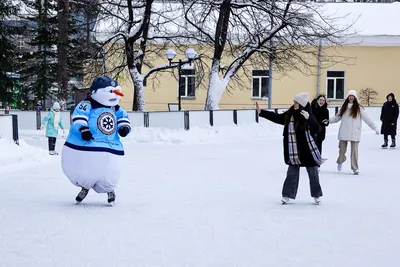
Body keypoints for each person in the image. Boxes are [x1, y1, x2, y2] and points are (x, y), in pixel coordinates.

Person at [61, 76, 131, 206]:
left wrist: (124, 127)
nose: (115, 95)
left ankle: (110, 190)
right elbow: (79, 116)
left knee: (111, 171)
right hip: (89, 145)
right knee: (87, 170)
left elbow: (124, 118)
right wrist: (84, 129)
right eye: (111, 91)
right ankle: (85, 187)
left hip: (111, 146)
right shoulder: (87, 104)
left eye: (116, 91)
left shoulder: (116, 108)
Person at [256, 92, 324, 204]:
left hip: (308, 150)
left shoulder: (308, 115)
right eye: (294, 102)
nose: (294, 104)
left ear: (301, 104)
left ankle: (316, 195)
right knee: (292, 172)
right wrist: (262, 112)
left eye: (296, 102)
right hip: (294, 150)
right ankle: (287, 195)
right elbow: (278, 118)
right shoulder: (290, 114)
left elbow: (317, 128)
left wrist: (309, 119)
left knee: (313, 172)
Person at [323, 90, 379, 175]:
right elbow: (337, 117)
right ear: (348, 97)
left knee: (354, 151)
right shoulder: (344, 107)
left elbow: (367, 118)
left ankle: (355, 167)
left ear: (355, 97)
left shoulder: (359, 108)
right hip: (344, 131)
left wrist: (374, 127)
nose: (351, 97)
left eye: (353, 96)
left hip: (354, 132)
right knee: (342, 150)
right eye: (350, 96)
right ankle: (340, 161)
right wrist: (329, 121)